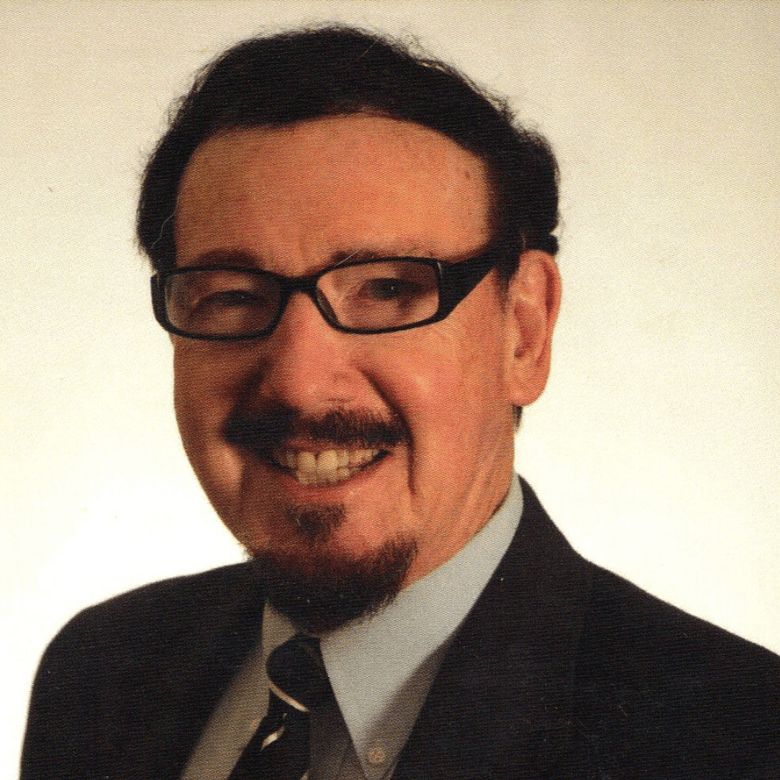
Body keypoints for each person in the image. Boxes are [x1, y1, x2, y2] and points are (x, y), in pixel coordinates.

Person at [21, 25, 780, 780]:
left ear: (524, 332)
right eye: (232, 296)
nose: (299, 382)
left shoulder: (737, 739)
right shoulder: (100, 673)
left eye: (387, 289)